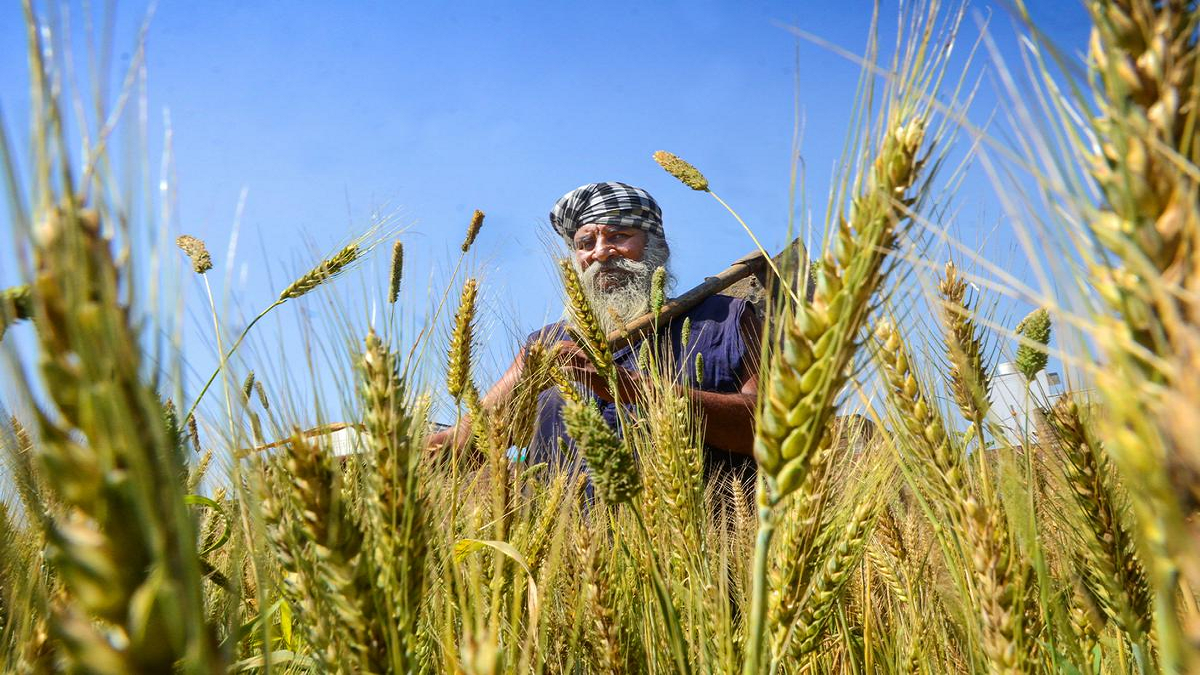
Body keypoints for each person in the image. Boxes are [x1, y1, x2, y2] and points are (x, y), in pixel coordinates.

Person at [429, 181, 760, 490]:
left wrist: (637, 390)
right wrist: (405, 448)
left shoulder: (725, 318)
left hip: (697, 543)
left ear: (657, 247)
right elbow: (470, 444)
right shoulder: (546, 344)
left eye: (617, 236)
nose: (600, 253)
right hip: (565, 547)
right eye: (585, 243)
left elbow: (769, 429)